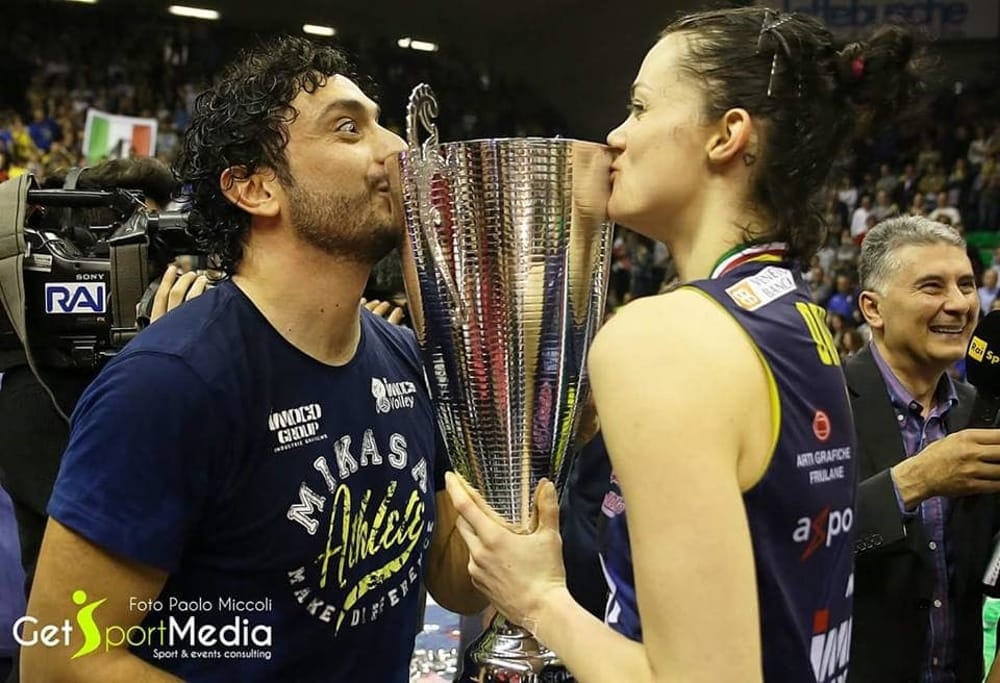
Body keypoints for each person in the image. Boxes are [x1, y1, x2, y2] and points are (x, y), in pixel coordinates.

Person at [445, 7, 928, 682]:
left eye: (640, 107)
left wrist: (538, 599)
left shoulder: (664, 337)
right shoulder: (797, 314)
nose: (616, 135)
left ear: (727, 135)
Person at [21, 36, 483, 682]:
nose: (398, 150)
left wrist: (527, 475)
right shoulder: (167, 385)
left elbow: (453, 578)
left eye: (382, 125)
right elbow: (60, 661)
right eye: (349, 128)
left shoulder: (406, 358)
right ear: (255, 186)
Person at [847, 216, 1000, 683]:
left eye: (967, 285)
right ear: (873, 308)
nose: (959, 304)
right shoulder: (820, 405)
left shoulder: (984, 411)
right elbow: (796, 545)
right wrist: (914, 481)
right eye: (932, 286)